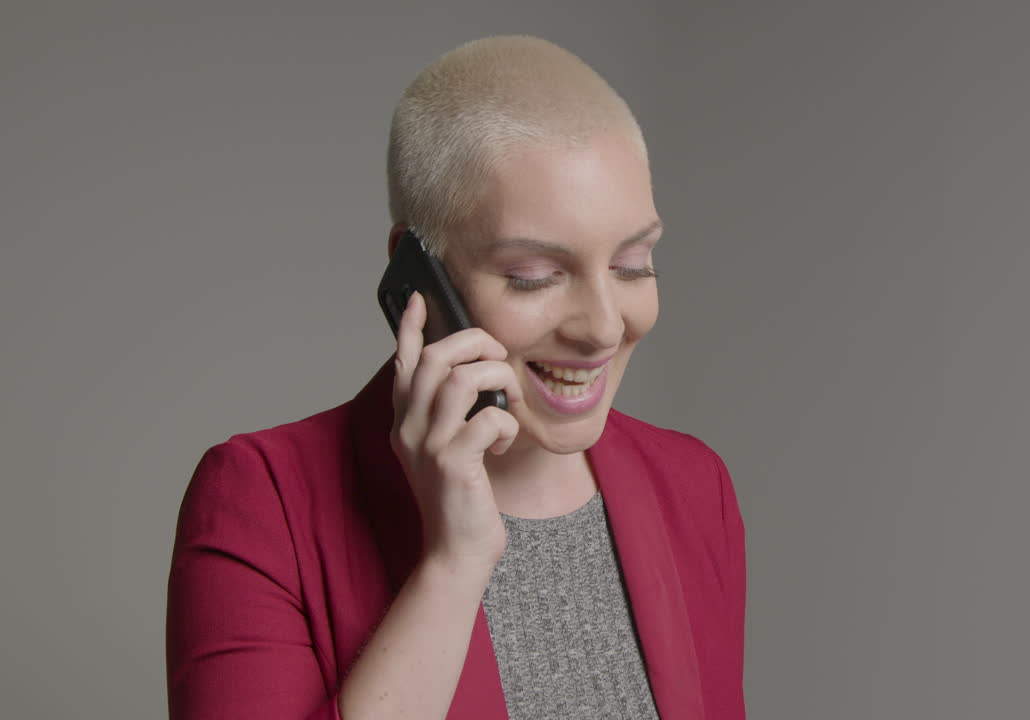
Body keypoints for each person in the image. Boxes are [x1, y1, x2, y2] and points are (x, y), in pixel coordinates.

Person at [165, 35, 746, 720]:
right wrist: (453, 564)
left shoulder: (691, 486)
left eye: (632, 265)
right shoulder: (262, 504)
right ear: (420, 277)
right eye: (537, 276)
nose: (603, 326)